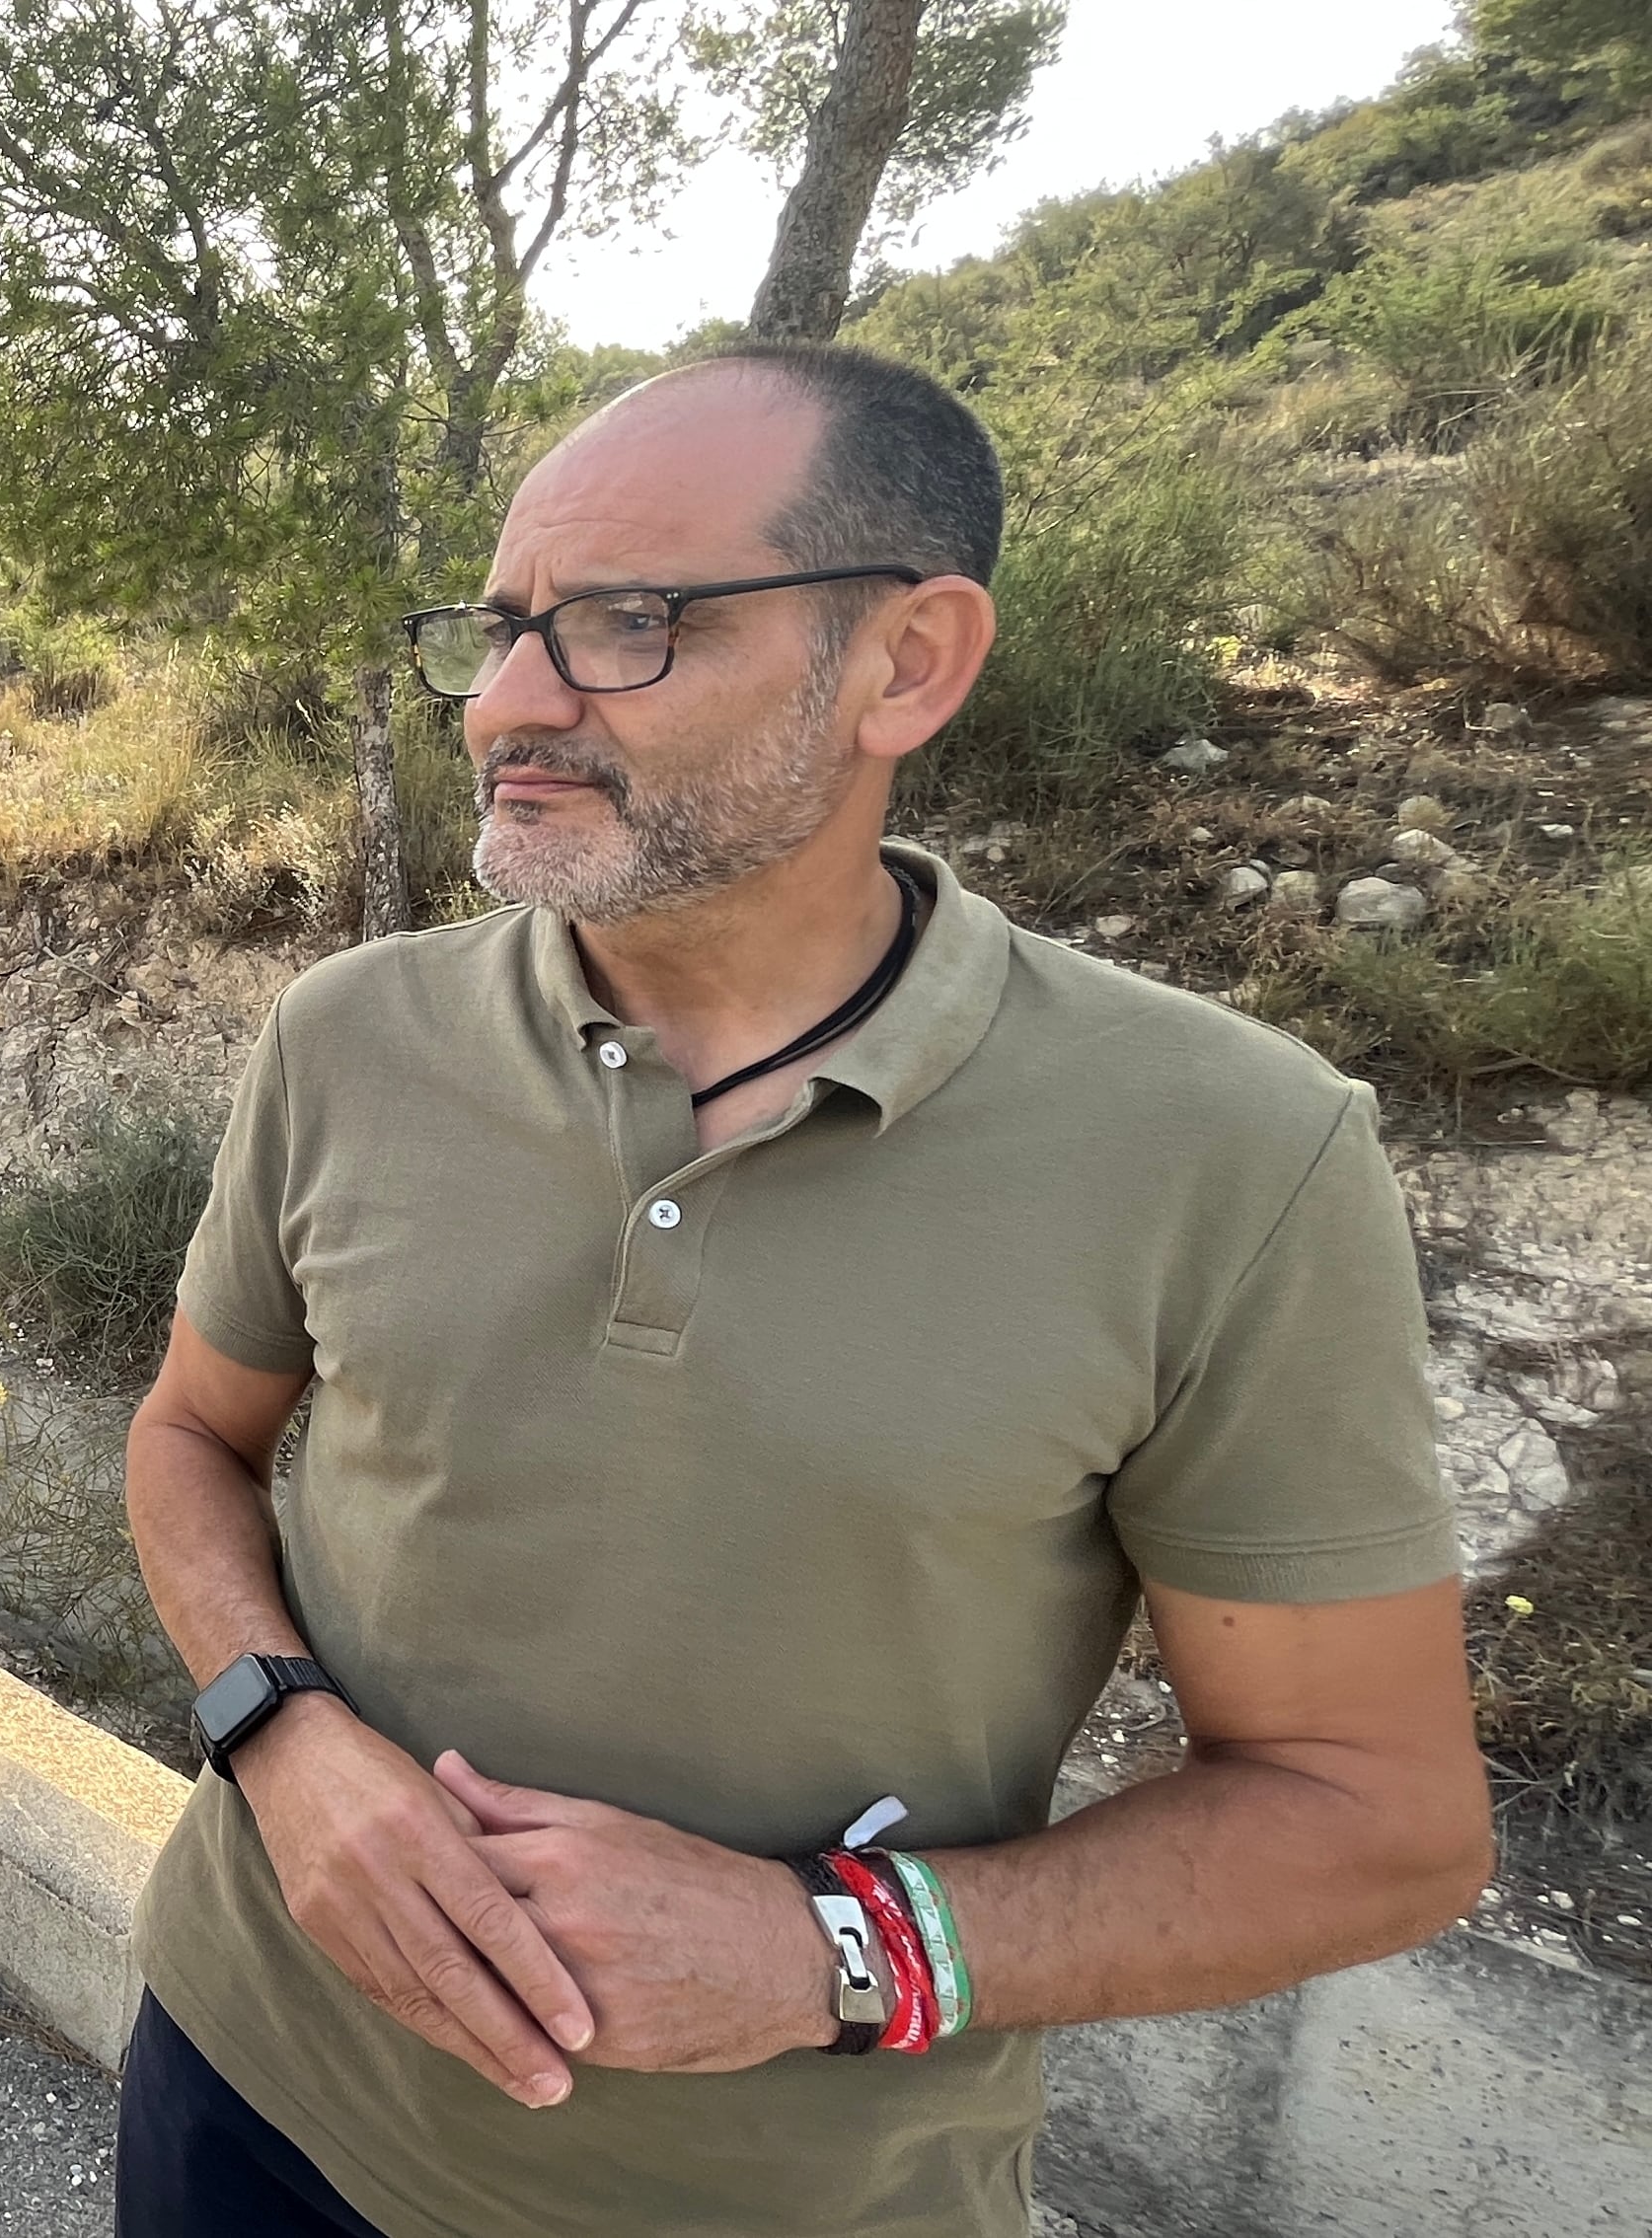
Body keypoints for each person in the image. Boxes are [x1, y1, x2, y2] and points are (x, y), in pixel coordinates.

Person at [116, 341, 1494, 2238]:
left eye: (621, 624)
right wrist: (281, 1736)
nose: (509, 703)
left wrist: (825, 1952)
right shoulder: (351, 1036)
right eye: (505, 627)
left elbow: (1376, 1822)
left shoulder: (1234, 1157)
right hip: (244, 2095)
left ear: (906, 664)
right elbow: (194, 1434)